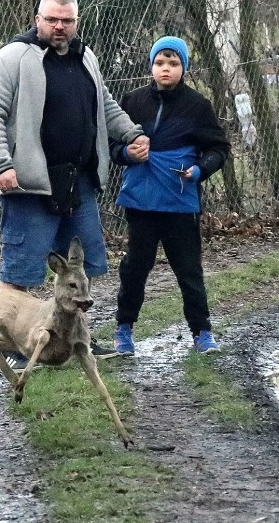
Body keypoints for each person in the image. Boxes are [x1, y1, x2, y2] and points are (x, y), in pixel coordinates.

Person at [0, 0, 149, 368]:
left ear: (76, 22)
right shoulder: (10, 59)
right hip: (29, 185)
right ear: (37, 19)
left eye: (66, 21)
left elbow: (103, 104)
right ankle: (17, 347)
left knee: (77, 270)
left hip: (78, 183)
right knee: (18, 271)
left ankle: (77, 341)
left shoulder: (85, 57)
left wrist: (132, 134)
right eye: (51, 19)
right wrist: (1, 165)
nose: (59, 27)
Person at [109, 36, 231, 355]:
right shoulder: (133, 102)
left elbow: (219, 148)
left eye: (173, 64)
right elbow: (110, 147)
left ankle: (202, 333)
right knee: (136, 266)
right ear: (151, 66)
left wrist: (199, 170)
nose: (166, 69)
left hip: (180, 202)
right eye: (160, 63)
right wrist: (127, 153)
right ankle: (124, 330)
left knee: (188, 268)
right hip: (141, 202)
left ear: (184, 68)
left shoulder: (198, 106)